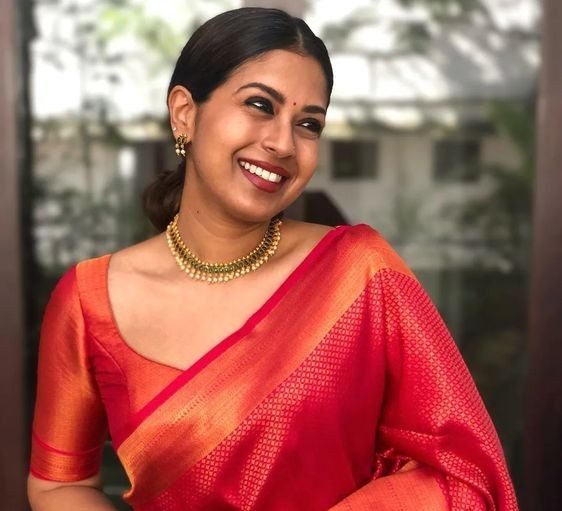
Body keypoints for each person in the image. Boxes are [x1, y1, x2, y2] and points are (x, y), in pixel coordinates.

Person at [27, 7, 518, 511]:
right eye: (260, 104)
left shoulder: (359, 275)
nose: (283, 143)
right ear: (184, 113)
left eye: (308, 124)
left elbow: (465, 471)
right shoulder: (91, 301)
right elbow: (59, 484)